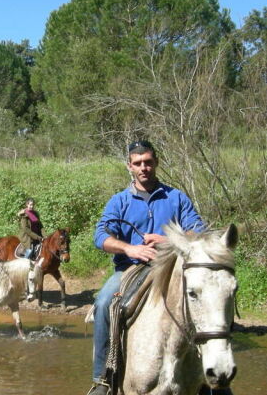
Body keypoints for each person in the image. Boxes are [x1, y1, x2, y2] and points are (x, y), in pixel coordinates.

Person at [87, 140, 206, 395]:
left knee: (209, 299)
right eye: (138, 163)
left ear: (156, 162)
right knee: (104, 303)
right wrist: (130, 249)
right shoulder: (119, 201)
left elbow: (200, 230)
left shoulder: (176, 197)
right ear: (129, 166)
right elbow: (101, 236)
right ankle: (103, 379)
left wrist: (168, 239)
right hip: (130, 269)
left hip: (174, 268)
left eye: (148, 162)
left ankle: (213, 379)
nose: (144, 168)